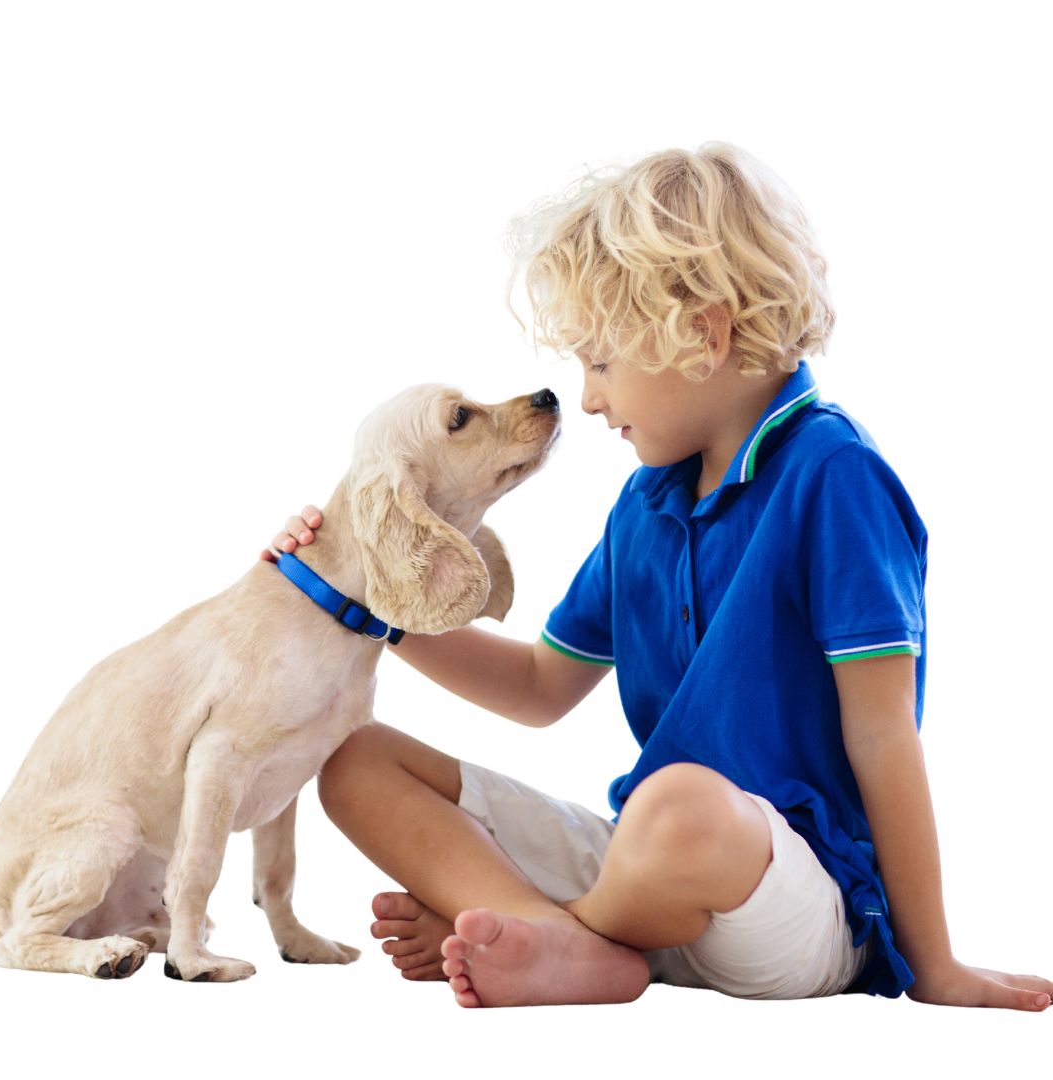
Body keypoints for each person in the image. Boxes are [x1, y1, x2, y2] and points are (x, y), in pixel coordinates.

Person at [264, 143, 1052, 1011]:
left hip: (792, 900)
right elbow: (538, 688)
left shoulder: (835, 478)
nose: (589, 399)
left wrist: (934, 965)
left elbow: (884, 737)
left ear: (702, 336)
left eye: (602, 362)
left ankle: (564, 934)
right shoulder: (646, 504)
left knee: (679, 809)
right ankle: (561, 937)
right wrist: (365, 600)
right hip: (651, 878)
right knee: (357, 762)